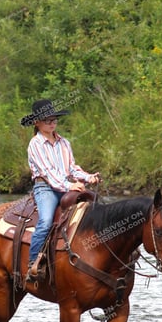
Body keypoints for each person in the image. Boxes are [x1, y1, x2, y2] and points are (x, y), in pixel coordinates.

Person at [19, 99, 101, 282]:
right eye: (47, 120)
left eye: (54, 120)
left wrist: (88, 177)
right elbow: (47, 172)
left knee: (95, 209)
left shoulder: (65, 143)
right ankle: (33, 263)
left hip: (65, 186)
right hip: (45, 188)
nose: (52, 123)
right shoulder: (35, 144)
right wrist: (70, 186)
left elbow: (72, 168)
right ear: (37, 122)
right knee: (46, 221)